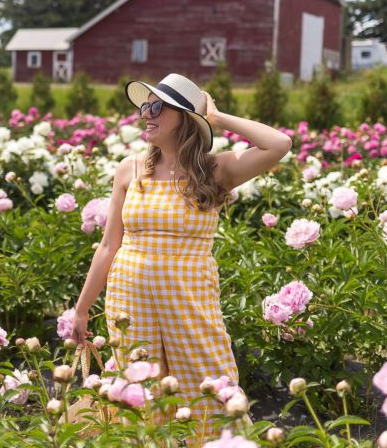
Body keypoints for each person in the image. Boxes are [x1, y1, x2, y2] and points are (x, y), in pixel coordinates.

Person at [70, 72, 292, 415]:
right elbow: (108, 245)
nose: (146, 113)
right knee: (138, 389)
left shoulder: (215, 170)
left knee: (207, 384)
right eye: (145, 106)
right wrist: (82, 309)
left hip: (188, 299)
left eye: (157, 107)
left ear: (185, 119)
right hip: (129, 298)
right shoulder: (129, 170)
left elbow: (279, 144)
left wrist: (215, 118)